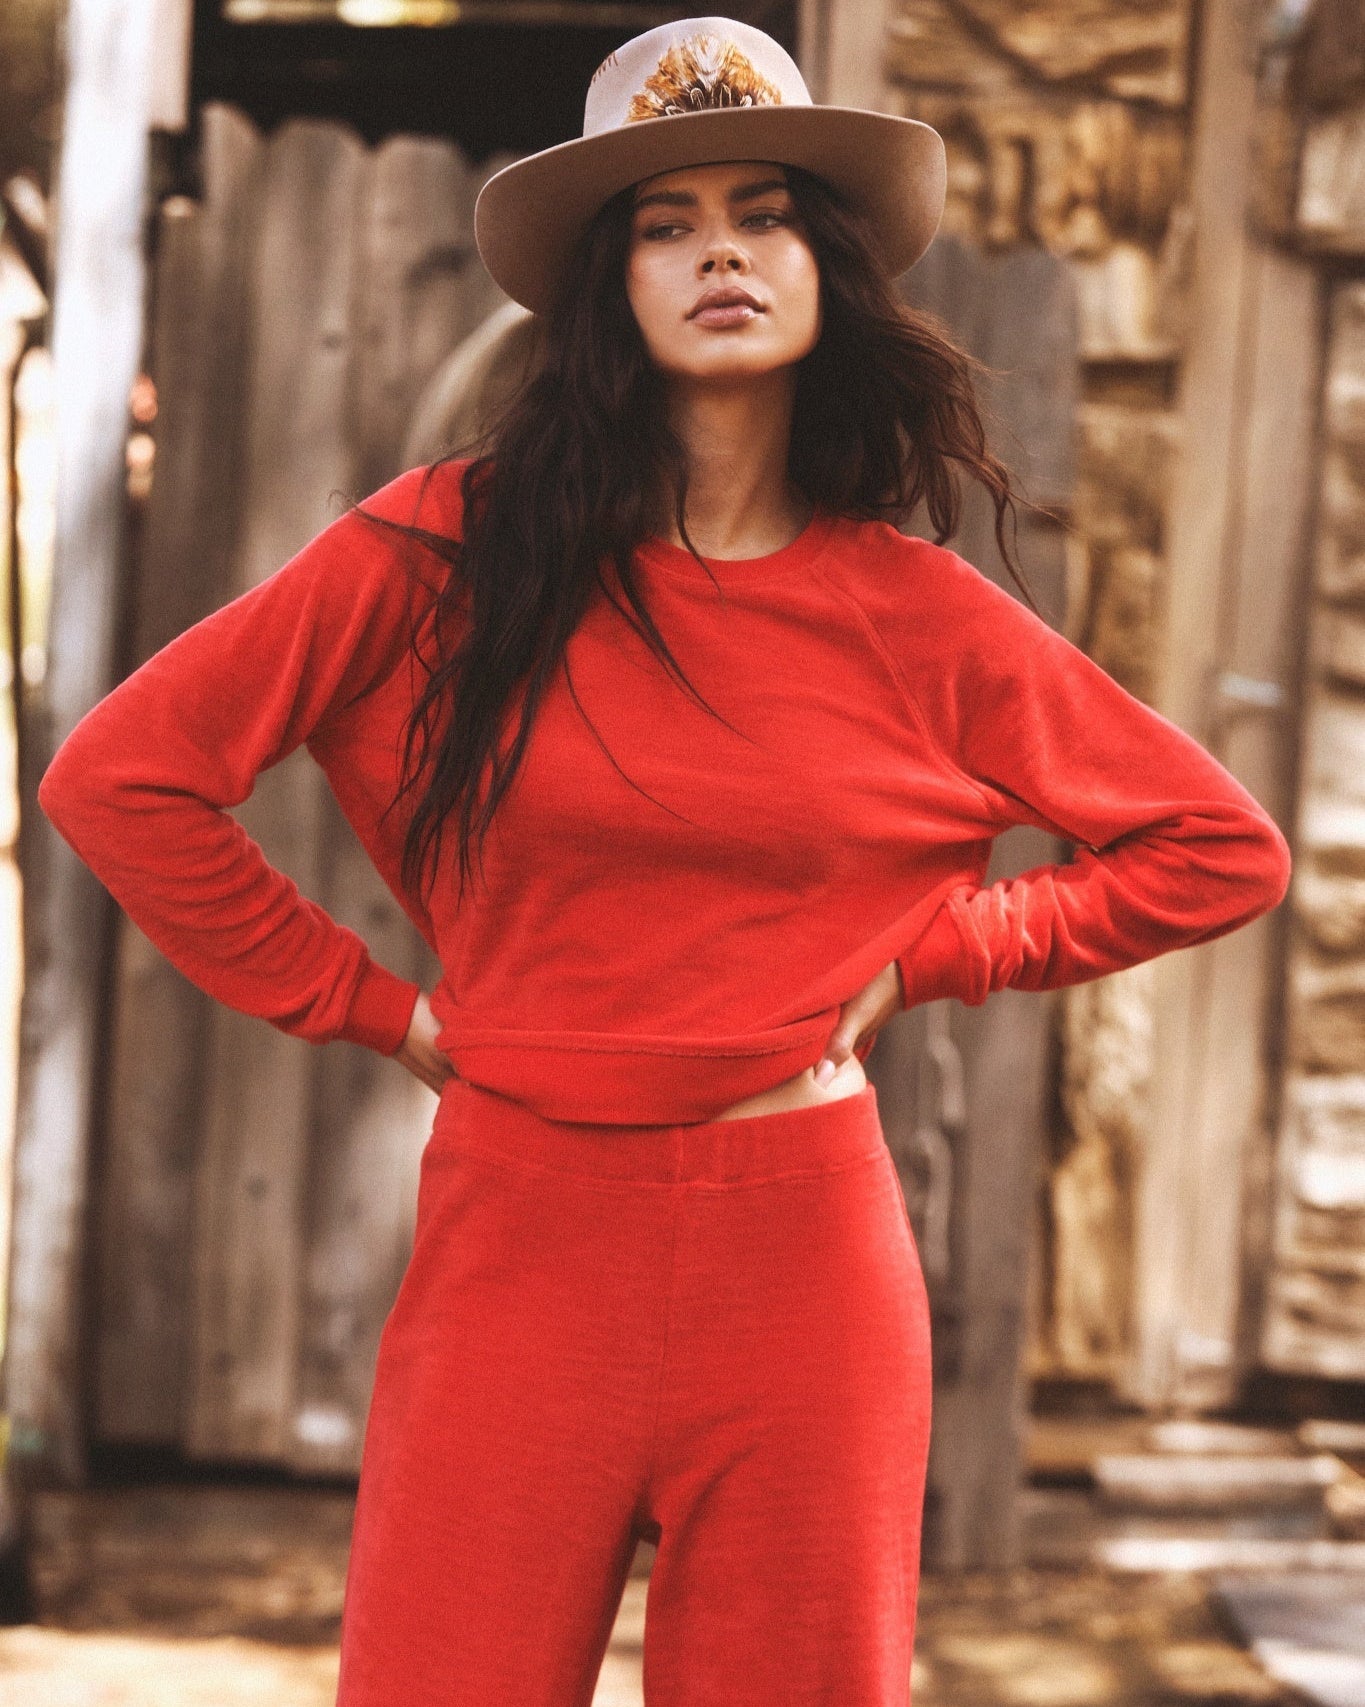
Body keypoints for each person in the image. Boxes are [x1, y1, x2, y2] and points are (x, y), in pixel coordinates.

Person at [38, 15, 1292, 1706]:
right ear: (603, 289)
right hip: (519, 1244)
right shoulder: (437, 549)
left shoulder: (918, 614)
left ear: (823, 270)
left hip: (805, 1272)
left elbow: (1216, 848)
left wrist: (944, 951)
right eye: (663, 221)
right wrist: (364, 1005)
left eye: (762, 213)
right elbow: (123, 778)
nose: (718, 251)